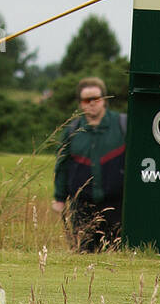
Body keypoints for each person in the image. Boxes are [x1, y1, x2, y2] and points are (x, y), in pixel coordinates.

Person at [52, 77, 127, 251]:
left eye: (96, 98)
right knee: (84, 254)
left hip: (118, 205)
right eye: (87, 100)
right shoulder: (71, 130)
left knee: (117, 255)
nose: (92, 103)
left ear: (104, 100)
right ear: (80, 103)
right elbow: (62, 166)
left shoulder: (122, 125)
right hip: (82, 208)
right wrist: (59, 198)